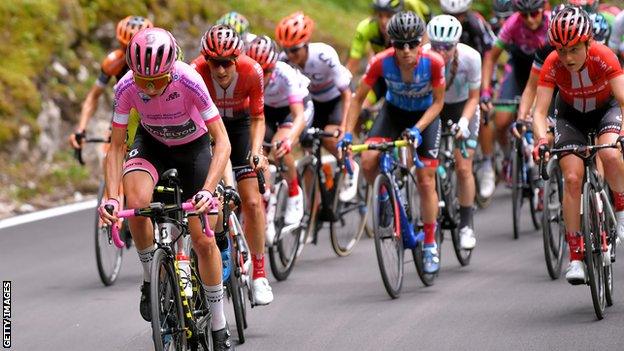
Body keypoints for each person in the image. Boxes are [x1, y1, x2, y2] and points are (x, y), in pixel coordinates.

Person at [97, 28, 234, 350]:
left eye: (158, 80)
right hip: (152, 145)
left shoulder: (189, 80)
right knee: (137, 200)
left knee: (203, 237)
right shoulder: (127, 85)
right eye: (143, 80)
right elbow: (116, 147)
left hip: (194, 149)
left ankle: (219, 325)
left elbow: (223, 141)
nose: (150, 88)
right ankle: (150, 278)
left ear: (171, 68)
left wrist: (208, 190)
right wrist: (111, 198)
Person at [343, 11, 446, 273]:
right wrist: (346, 134)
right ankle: (385, 198)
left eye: (413, 44)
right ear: (392, 45)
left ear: (421, 43)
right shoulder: (380, 62)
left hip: (425, 118)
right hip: (393, 112)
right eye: (400, 45)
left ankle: (431, 243)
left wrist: (418, 128)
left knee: (425, 179)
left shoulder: (434, 62)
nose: (407, 51)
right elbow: (357, 99)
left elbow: (438, 103)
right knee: (368, 160)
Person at [532, 6, 624, 285]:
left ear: (587, 42)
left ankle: (620, 211)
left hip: (605, 111)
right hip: (570, 117)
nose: (567, 57)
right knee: (572, 177)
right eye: (561, 50)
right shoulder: (551, 63)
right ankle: (575, 258)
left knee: (609, 154)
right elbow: (539, 111)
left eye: (573, 49)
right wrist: (540, 139)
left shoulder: (604, 56)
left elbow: (623, 100)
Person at [191, 24, 274, 306]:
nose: (222, 70)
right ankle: (219, 244)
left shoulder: (253, 71)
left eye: (227, 63)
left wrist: (257, 151)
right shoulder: (196, 71)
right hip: (208, 129)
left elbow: (259, 118)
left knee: (251, 201)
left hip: (239, 128)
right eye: (215, 63)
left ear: (236, 59)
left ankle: (260, 274)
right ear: (207, 60)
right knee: (213, 196)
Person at [275, 12, 357, 201]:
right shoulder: (283, 61)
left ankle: (350, 166)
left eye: (294, 50)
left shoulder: (323, 54)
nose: (290, 55)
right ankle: (315, 203)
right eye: (286, 50)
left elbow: (347, 94)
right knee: (307, 149)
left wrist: (344, 128)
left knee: (330, 137)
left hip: (336, 99)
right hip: (313, 104)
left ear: (306, 44)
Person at [246, 36, 312, 238]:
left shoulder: (285, 73)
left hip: (291, 111)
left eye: (266, 71)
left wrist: (290, 139)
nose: (262, 76)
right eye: (258, 70)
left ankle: (294, 193)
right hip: (265, 111)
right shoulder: (247, 72)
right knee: (256, 151)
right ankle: (265, 194)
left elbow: (299, 115)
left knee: (278, 146)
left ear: (273, 66)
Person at [424, 15, 481, 250]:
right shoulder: (423, 56)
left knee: (463, 166)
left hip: (462, 107)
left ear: (456, 44)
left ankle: (466, 224)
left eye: (447, 47)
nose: (441, 52)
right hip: (433, 107)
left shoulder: (471, 58)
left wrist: (465, 122)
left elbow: (474, 97)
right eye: (437, 46)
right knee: (427, 165)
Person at [480, 0, 550, 190]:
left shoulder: (551, 23)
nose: (529, 19)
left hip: (544, 74)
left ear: (543, 10)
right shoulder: (513, 23)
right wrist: (485, 91)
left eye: (533, 13)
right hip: (519, 71)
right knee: (501, 121)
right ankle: (508, 158)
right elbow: (491, 57)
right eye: (523, 14)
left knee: (542, 120)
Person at [69, 16, 153, 149]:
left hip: (150, 115)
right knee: (108, 154)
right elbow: (93, 97)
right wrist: (81, 129)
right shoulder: (113, 63)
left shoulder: (158, 63)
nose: (131, 55)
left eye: (136, 48)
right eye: (126, 48)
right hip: (124, 112)